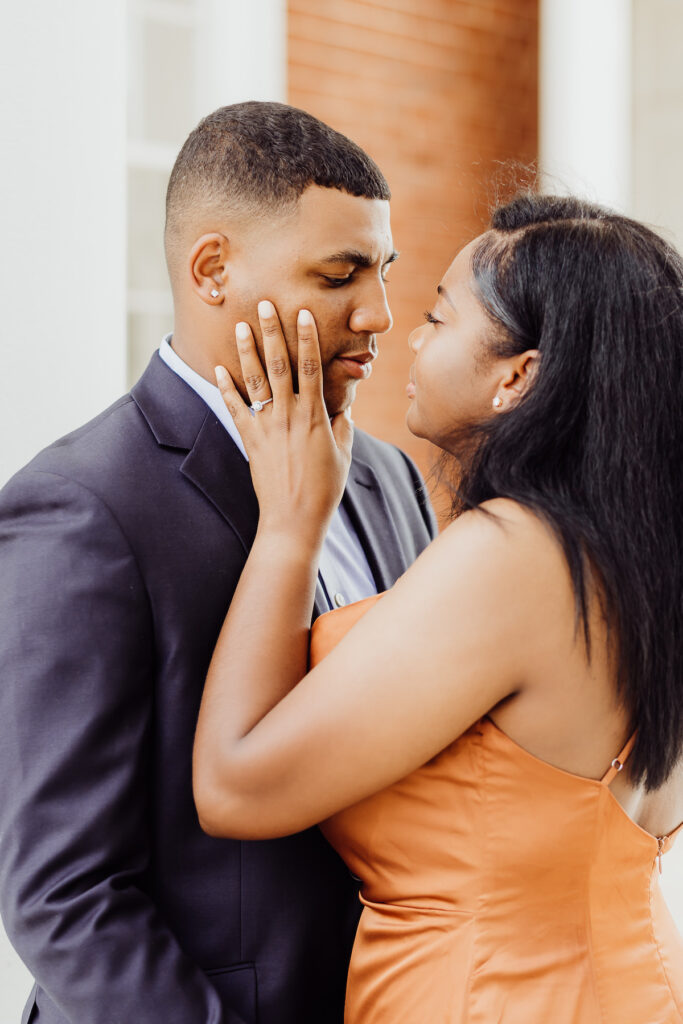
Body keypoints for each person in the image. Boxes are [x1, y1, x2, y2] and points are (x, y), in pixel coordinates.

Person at [193, 193, 683, 1023]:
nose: (405, 337)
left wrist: (288, 525)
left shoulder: (514, 554)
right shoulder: (637, 553)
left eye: (437, 316)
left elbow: (235, 787)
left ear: (518, 375)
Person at [0, 102, 436, 1024]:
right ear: (212, 271)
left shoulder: (390, 477)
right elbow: (64, 894)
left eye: (384, 271)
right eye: (339, 273)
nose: (380, 313)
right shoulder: (82, 508)